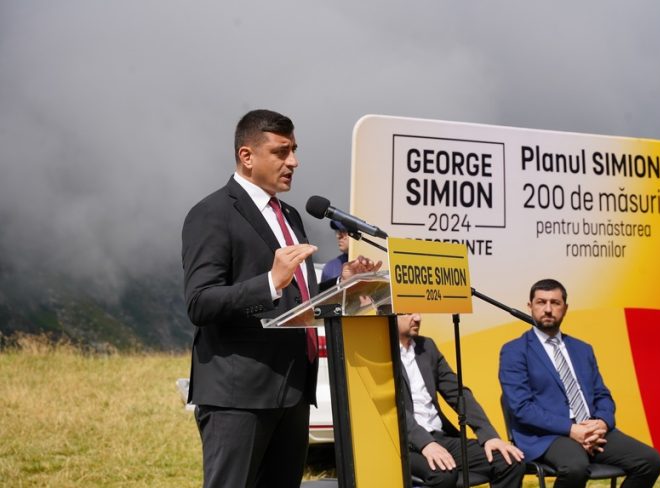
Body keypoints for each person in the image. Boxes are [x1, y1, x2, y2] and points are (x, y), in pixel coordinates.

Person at [181, 109, 380, 488]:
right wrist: (269, 282)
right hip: (239, 397)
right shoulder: (211, 213)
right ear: (247, 156)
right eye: (281, 151)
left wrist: (344, 285)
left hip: (292, 391)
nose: (293, 162)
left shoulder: (289, 215)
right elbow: (200, 303)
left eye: (294, 150)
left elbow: (298, 300)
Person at [499, 278, 660, 488]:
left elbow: (602, 394)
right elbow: (521, 408)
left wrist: (602, 422)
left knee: (650, 461)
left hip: (592, 429)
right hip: (546, 435)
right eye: (541, 302)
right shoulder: (514, 351)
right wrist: (571, 429)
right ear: (530, 307)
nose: (548, 309)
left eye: (555, 303)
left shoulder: (582, 349)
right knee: (575, 467)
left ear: (565, 309)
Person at [397, 313, 525, 488]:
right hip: (406, 444)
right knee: (444, 474)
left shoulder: (427, 346)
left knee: (509, 461)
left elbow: (457, 392)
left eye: (418, 311)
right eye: (408, 312)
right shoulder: (379, 353)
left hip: (441, 437)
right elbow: (392, 408)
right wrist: (425, 443)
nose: (418, 318)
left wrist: (488, 436)